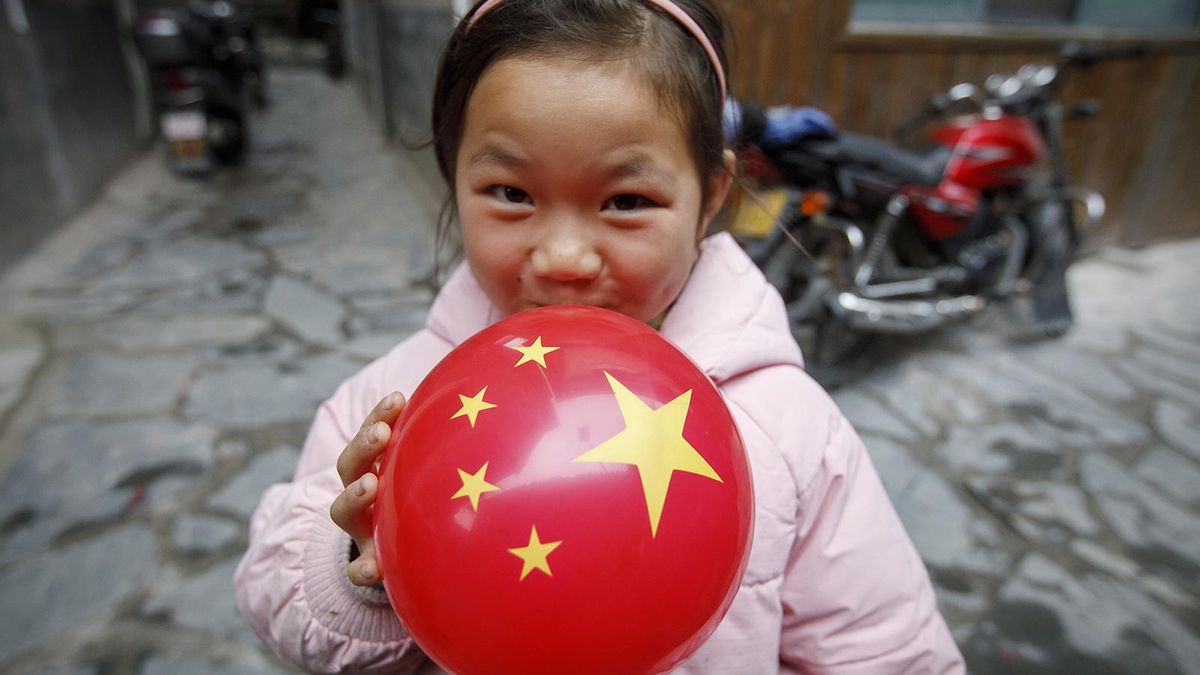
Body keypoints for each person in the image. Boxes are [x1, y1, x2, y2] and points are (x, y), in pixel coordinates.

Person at [233, 0, 967, 672]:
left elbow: (888, 649)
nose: (563, 257)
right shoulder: (402, 400)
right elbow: (272, 586)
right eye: (511, 194)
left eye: (627, 201)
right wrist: (359, 562)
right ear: (454, 177)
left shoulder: (787, 427)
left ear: (711, 194)